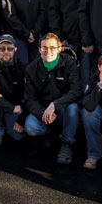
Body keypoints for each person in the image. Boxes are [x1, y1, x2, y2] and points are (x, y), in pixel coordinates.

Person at [23, 33, 82, 165]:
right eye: (44, 48)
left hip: (63, 109)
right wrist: (42, 113)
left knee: (73, 108)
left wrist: (55, 104)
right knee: (30, 127)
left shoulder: (69, 63)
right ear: (39, 49)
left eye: (52, 47)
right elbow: (29, 99)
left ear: (59, 49)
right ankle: (49, 133)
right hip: (44, 111)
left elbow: (76, 91)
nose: (48, 51)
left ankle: (67, 142)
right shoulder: (32, 68)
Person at [49, 0, 92, 83]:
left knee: (87, 78)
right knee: (69, 78)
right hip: (68, 40)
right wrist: (60, 37)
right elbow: (53, 10)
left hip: (90, 42)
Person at [0, 34, 27, 146]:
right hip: (0, 104)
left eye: (10, 48)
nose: (6, 51)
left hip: (15, 104)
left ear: (15, 50)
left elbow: (28, 94)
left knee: (16, 136)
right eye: (2, 48)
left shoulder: (22, 66)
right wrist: (12, 108)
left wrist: (21, 117)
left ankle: (11, 126)